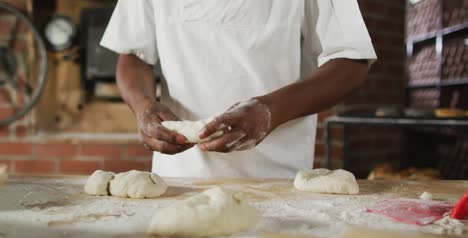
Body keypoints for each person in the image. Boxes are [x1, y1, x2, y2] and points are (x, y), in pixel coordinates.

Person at [101, 0, 377, 179]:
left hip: (278, 180)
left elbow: (350, 61)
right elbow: (132, 55)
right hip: (177, 180)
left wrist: (270, 110)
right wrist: (142, 105)